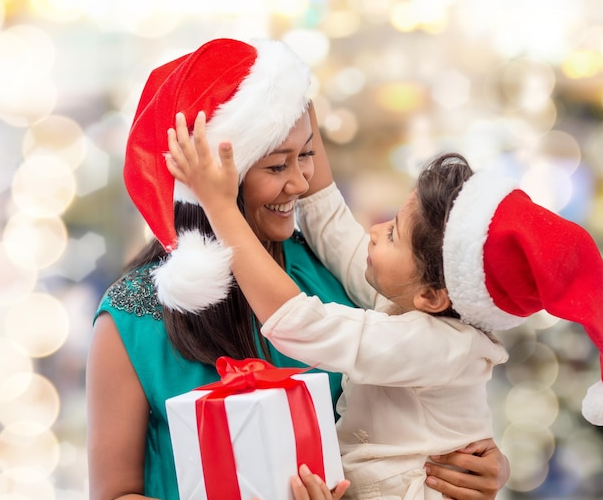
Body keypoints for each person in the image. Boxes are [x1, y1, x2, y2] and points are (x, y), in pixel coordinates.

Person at [86, 37, 511, 500]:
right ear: (211, 184)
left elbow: (424, 405)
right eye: (276, 165)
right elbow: (113, 493)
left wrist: (475, 463)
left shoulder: (332, 273)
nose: (301, 181)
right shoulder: (133, 316)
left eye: (306, 154)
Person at [165, 107, 603, 498]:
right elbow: (330, 219)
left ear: (433, 296)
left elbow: (301, 324)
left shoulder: (439, 346)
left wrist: (219, 207)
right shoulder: (417, 301)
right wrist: (295, 96)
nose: (375, 230)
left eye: (392, 234)